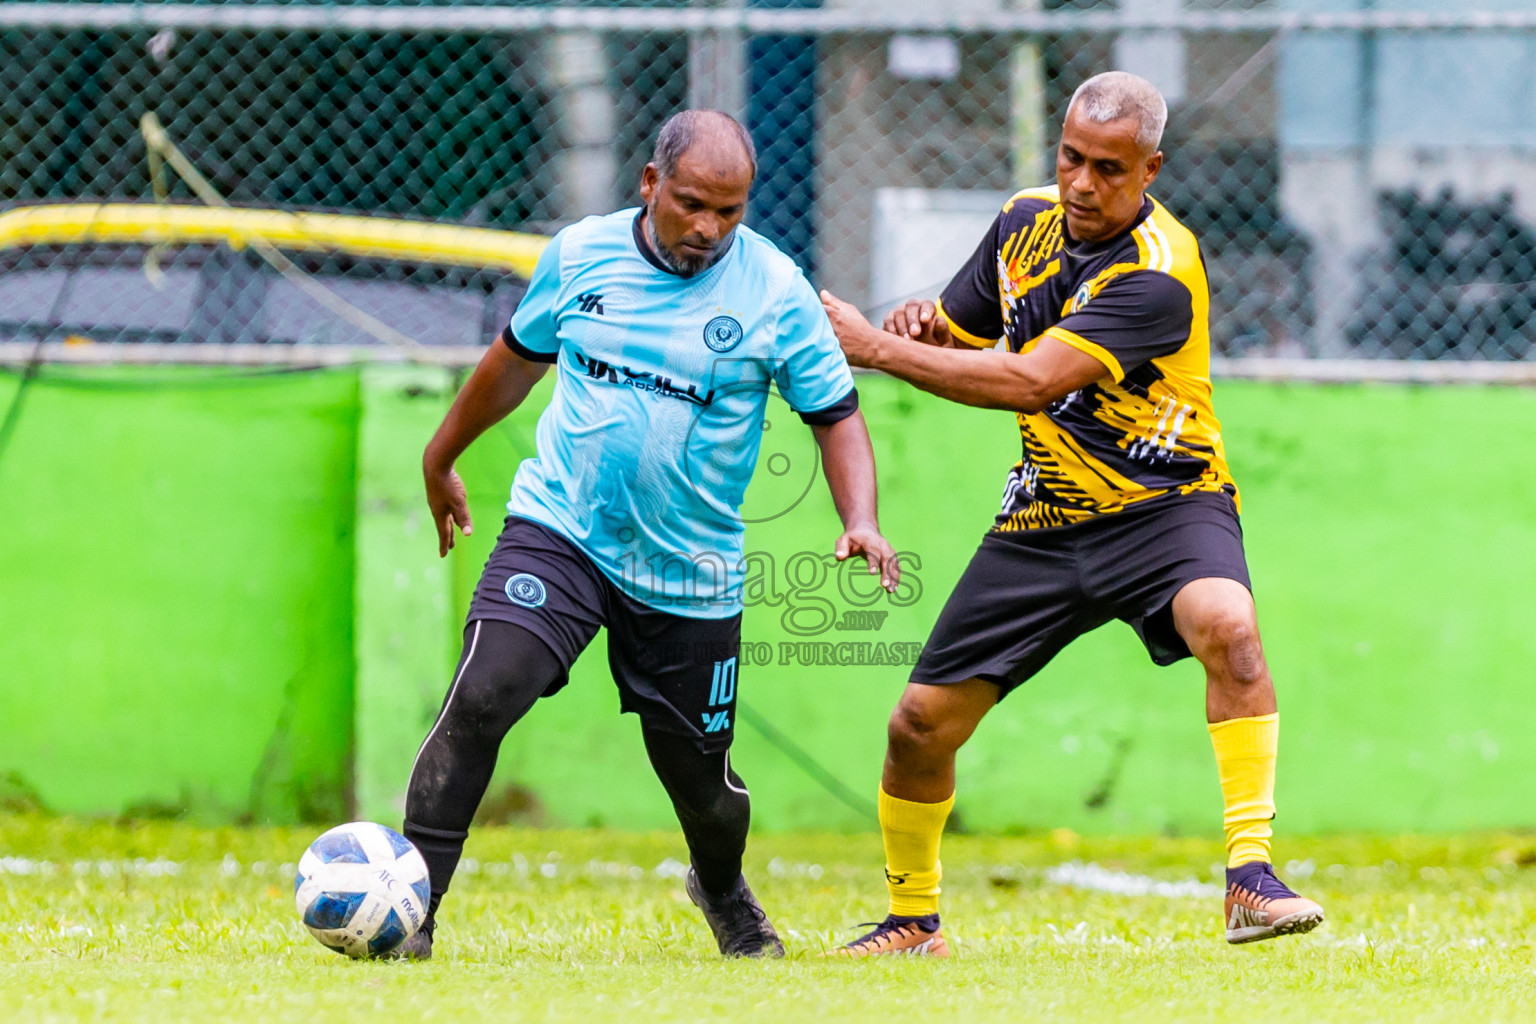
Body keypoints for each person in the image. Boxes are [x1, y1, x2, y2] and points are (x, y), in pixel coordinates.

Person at [817, 71, 1323, 957]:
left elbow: (1029, 378)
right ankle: (912, 919)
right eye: (1071, 158)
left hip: (1167, 506)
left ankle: (1251, 878)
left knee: (1230, 628)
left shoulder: (1161, 272)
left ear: (1151, 169)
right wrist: (920, 328)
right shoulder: (1024, 221)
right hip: (1046, 514)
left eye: (1110, 169)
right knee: (919, 727)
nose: (1084, 184)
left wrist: (875, 348)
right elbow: (966, 330)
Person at [393, 109, 899, 960]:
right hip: (562, 530)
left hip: (688, 569)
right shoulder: (579, 254)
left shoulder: (774, 290)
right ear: (650, 184)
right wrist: (441, 458)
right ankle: (413, 914)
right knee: (482, 698)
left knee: (704, 787)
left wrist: (861, 519)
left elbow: (836, 416)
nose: (709, 229)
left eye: (729, 212)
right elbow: (513, 360)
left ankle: (722, 886)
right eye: (694, 204)